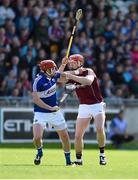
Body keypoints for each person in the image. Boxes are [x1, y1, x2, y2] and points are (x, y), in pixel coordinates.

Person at [63, 54, 107, 165]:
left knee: (99, 129)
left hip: (97, 104)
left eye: (73, 62)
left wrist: (71, 77)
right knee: (78, 136)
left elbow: (88, 81)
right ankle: (79, 160)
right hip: (84, 106)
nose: (71, 64)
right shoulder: (71, 73)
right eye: (70, 63)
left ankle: (102, 155)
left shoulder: (89, 71)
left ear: (80, 62)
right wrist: (62, 65)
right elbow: (57, 77)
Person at [32, 58, 73, 166]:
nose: (54, 70)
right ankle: (39, 152)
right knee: (37, 138)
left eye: (55, 68)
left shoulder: (53, 75)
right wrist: (49, 108)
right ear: (46, 70)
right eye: (52, 68)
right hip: (40, 112)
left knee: (65, 136)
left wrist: (63, 63)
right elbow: (36, 100)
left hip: (55, 112)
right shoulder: (38, 81)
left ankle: (68, 161)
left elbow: (60, 74)